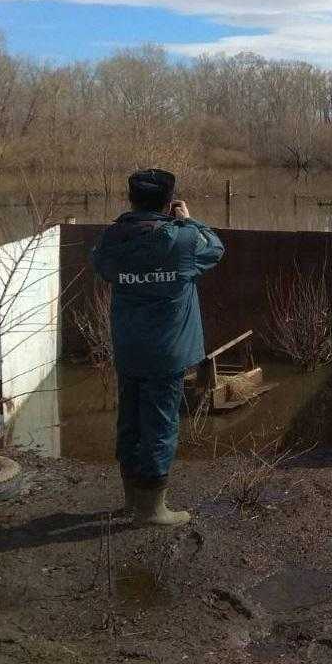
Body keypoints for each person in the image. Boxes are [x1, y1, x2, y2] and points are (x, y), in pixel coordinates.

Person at [90, 169, 224, 525]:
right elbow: (215, 248)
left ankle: (130, 502)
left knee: (130, 422)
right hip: (167, 353)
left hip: (129, 349)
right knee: (161, 426)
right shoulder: (183, 240)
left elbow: (99, 263)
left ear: (131, 199)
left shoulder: (113, 239)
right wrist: (191, 221)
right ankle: (152, 511)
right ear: (169, 203)